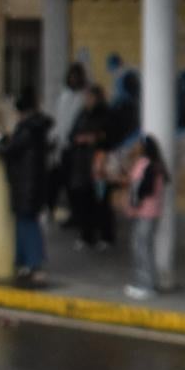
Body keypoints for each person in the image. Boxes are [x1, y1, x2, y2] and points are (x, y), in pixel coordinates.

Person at [0, 90, 59, 287]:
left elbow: (9, 150)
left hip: (25, 186)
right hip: (34, 184)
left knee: (27, 225)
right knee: (27, 224)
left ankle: (33, 264)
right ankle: (26, 263)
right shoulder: (37, 129)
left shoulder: (26, 130)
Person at [66, 86, 118, 251]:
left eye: (89, 97)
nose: (86, 101)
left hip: (99, 164)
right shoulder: (82, 114)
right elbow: (71, 134)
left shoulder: (106, 114)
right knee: (84, 200)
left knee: (102, 201)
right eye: (86, 97)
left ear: (97, 98)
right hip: (81, 163)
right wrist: (78, 139)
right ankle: (86, 235)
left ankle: (105, 236)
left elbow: (110, 137)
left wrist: (93, 138)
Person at [119, 135, 168, 298]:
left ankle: (146, 285)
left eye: (139, 145)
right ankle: (143, 282)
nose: (135, 147)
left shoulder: (148, 166)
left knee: (142, 249)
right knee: (141, 247)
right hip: (146, 212)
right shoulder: (151, 165)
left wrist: (135, 200)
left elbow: (144, 189)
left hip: (145, 212)